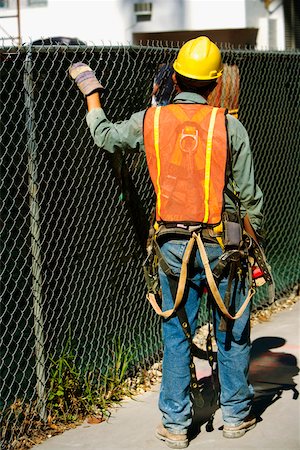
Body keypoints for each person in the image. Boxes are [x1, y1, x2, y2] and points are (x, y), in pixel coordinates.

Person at [69, 36, 264, 448]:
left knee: (176, 334)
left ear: (175, 77)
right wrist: (252, 245)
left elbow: (104, 136)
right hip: (223, 245)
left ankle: (175, 424)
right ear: (214, 85)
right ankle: (235, 416)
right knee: (232, 328)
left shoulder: (150, 121)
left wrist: (92, 91)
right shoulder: (230, 126)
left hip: (171, 246)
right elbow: (249, 197)